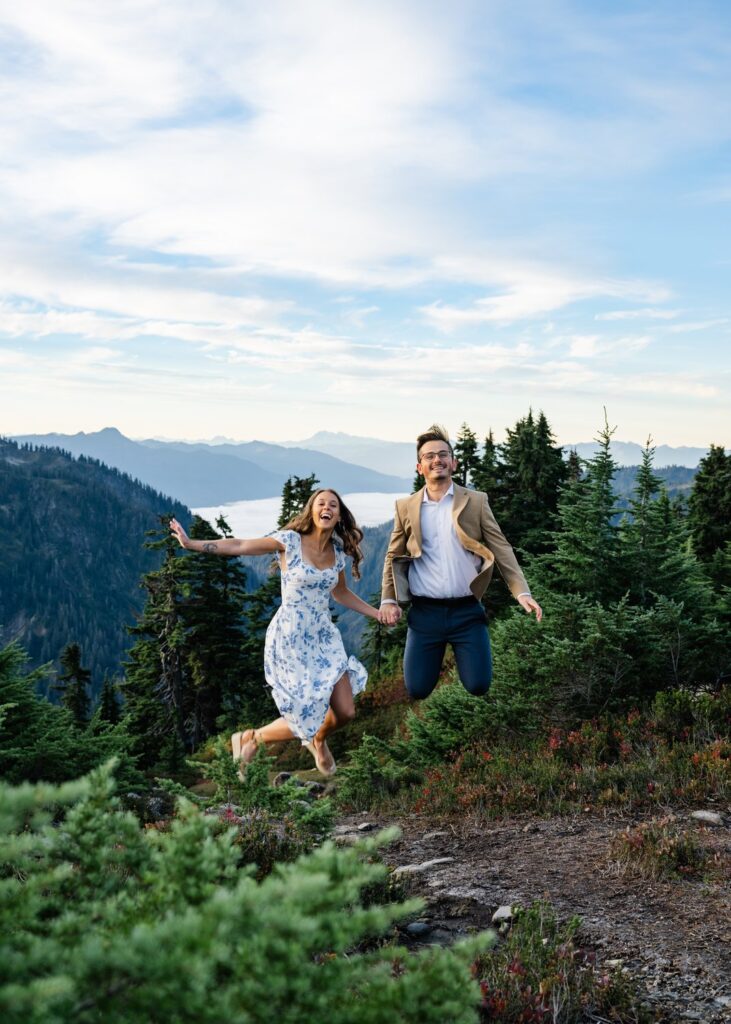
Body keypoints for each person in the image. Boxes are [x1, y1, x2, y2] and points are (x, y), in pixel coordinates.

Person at [170, 489, 382, 777]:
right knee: (303, 712)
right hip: (290, 638)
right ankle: (252, 738)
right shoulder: (290, 541)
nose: (327, 507)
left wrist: (377, 613)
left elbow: (341, 593)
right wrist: (191, 544)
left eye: (333, 505)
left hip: (323, 637)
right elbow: (240, 544)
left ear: (339, 516)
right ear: (312, 511)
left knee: (345, 711)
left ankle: (317, 739)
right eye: (321, 503)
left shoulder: (337, 553)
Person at [379, 424, 542, 700]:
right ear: (420, 467)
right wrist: (388, 599)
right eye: (429, 456)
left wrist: (521, 591)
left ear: (453, 463)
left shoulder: (476, 501)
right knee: (417, 688)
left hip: (467, 611)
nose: (437, 460)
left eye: (443, 454)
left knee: (479, 685)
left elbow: (500, 546)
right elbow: (393, 555)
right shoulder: (405, 507)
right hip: (425, 613)